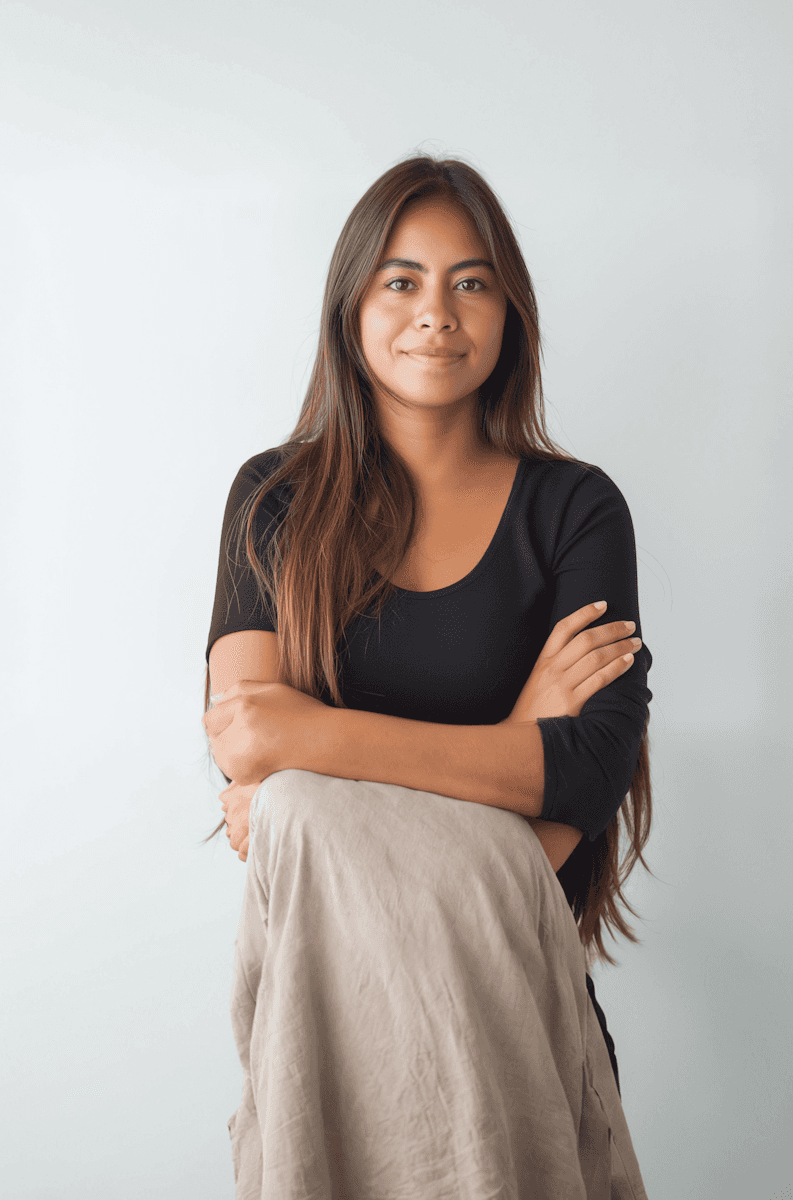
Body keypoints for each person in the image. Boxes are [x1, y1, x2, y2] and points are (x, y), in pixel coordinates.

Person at [203, 154, 653, 1198]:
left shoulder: (577, 510)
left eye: (470, 280)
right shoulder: (269, 500)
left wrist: (304, 753)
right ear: (350, 307)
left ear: (508, 311)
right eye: (400, 280)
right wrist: (513, 750)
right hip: (319, 1042)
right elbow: (239, 740)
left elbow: (581, 790)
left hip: (514, 1034)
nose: (435, 314)